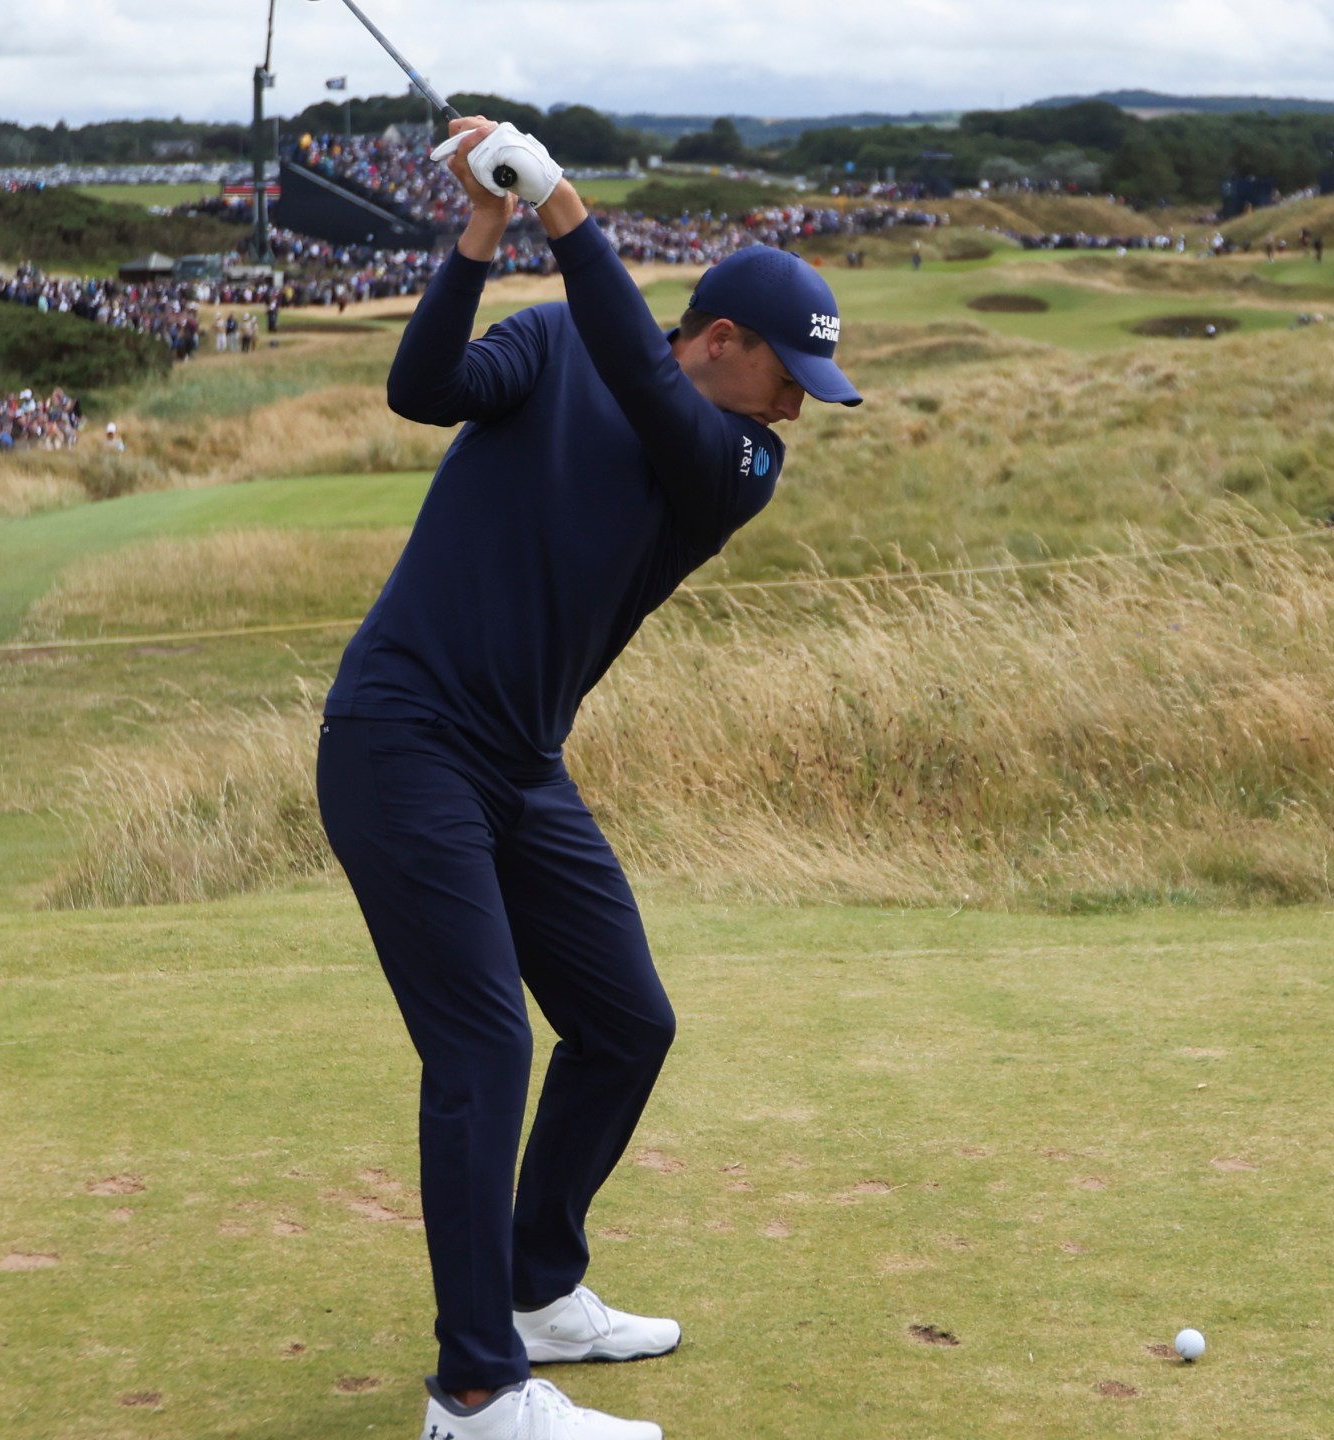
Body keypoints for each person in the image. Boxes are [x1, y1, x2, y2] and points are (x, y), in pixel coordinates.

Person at [317, 116, 862, 1440]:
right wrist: (484, 232)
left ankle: (538, 1287)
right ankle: (475, 1391)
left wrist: (564, 206)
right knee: (486, 1043)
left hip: (516, 765)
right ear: (720, 336)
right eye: (785, 373)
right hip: (400, 738)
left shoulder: (737, 466)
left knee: (627, 1024)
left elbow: (637, 368)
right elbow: (422, 389)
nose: (799, 404)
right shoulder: (556, 342)